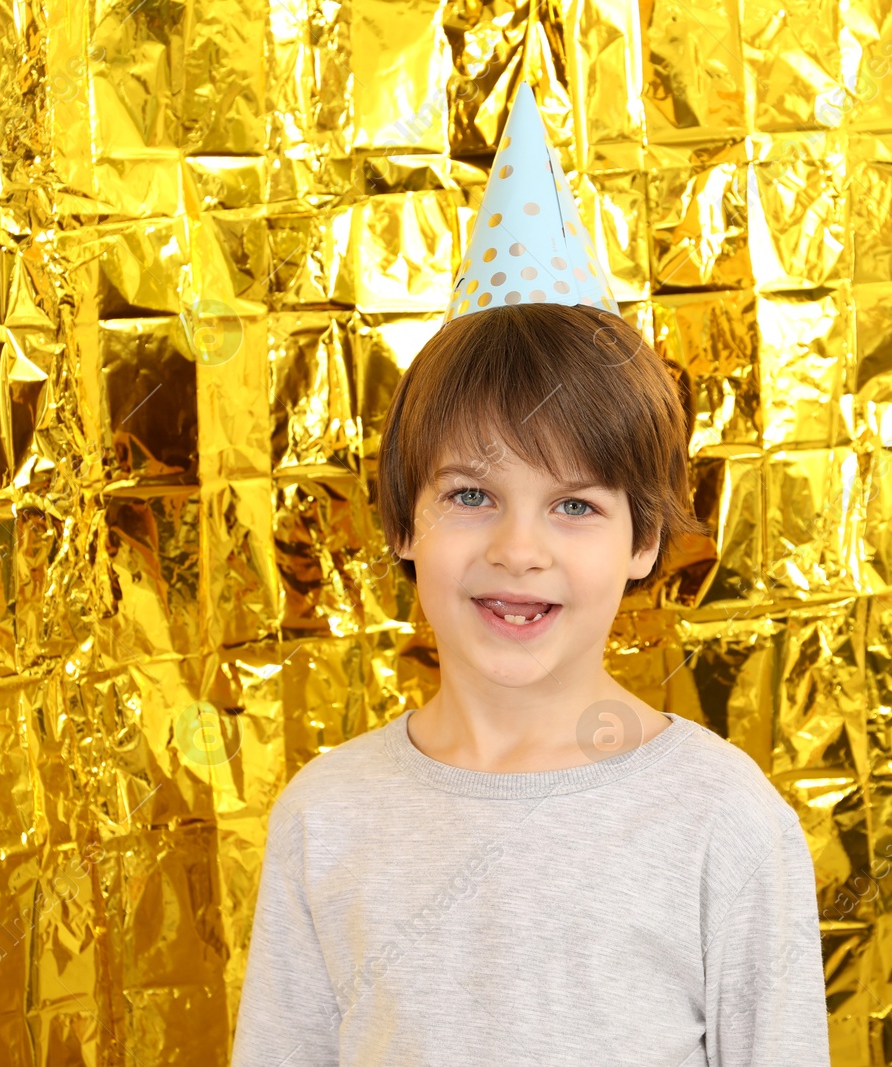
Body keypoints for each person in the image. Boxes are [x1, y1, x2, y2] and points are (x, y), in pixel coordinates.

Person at [229, 82, 831, 1067]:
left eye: (574, 504)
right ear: (403, 522)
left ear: (643, 542)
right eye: (470, 495)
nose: (518, 547)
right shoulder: (326, 818)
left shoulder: (724, 822)